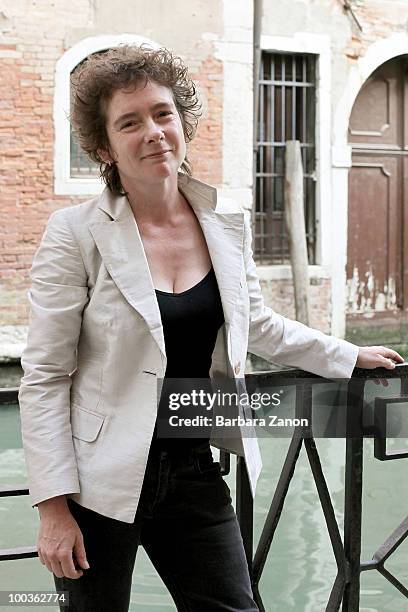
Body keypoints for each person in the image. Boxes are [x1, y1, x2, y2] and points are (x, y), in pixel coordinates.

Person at [18, 44, 403, 612]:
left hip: (193, 464)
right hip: (95, 483)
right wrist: (53, 508)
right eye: (130, 122)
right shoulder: (76, 232)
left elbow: (261, 326)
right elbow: (46, 374)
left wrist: (346, 356)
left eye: (162, 113)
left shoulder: (224, 225)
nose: (153, 131)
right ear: (104, 146)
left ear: (182, 122)